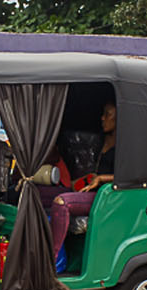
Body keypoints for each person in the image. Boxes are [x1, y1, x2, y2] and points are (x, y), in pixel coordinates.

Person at [47, 102, 116, 266]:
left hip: (107, 197)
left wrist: (101, 179)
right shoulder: (103, 141)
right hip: (93, 191)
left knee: (61, 202)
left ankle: (53, 259)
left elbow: (129, 175)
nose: (102, 118)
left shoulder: (125, 146)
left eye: (108, 114)